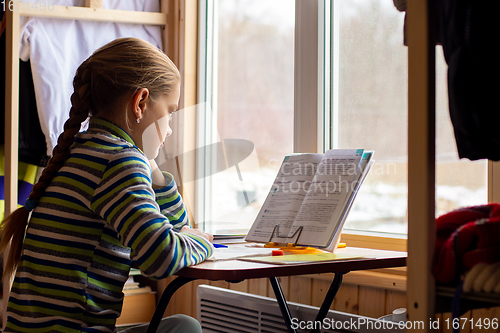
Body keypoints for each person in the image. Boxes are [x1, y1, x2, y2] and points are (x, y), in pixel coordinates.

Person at [0, 37, 213, 333]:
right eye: (170, 111)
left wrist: (154, 170)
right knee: (185, 329)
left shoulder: (79, 150)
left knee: (181, 325)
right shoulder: (118, 162)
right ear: (140, 103)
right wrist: (204, 241)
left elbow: (176, 227)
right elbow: (163, 257)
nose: (170, 127)